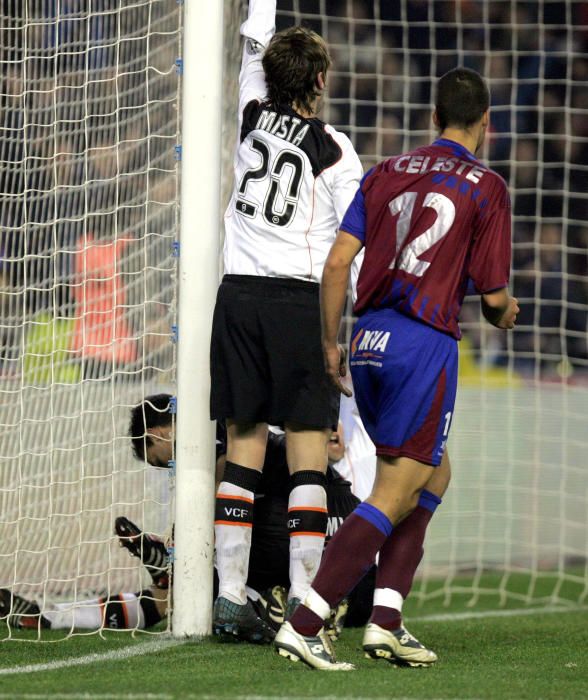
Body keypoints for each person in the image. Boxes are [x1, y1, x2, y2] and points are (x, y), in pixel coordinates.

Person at [275, 67, 519, 670]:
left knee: (433, 475)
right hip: (422, 346)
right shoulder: (486, 187)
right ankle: (305, 622)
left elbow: (337, 265)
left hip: (367, 339)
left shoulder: (385, 173)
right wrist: (508, 309)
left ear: (433, 118)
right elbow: (492, 301)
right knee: (395, 488)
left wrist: (332, 344)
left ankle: (385, 619)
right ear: (485, 125)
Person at [209, 0, 363, 642]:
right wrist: (349, 329)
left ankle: (227, 597)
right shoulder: (338, 153)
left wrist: (261, 23)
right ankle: (304, 602)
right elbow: (352, 254)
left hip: (237, 297)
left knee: (241, 450)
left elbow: (254, 40)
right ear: (321, 81)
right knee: (306, 459)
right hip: (299, 305)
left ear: (270, 77)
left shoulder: (249, 114)